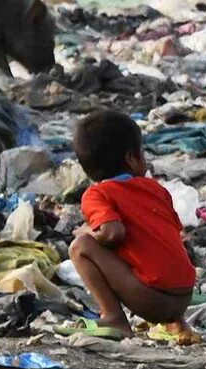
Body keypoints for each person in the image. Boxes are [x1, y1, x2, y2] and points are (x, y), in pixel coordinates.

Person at [68, 110, 196, 338]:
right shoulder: (156, 189)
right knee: (154, 244)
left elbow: (112, 233)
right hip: (184, 296)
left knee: (80, 246)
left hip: (152, 302)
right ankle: (177, 323)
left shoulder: (97, 194)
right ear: (132, 158)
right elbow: (174, 235)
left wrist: (88, 230)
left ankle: (114, 318)